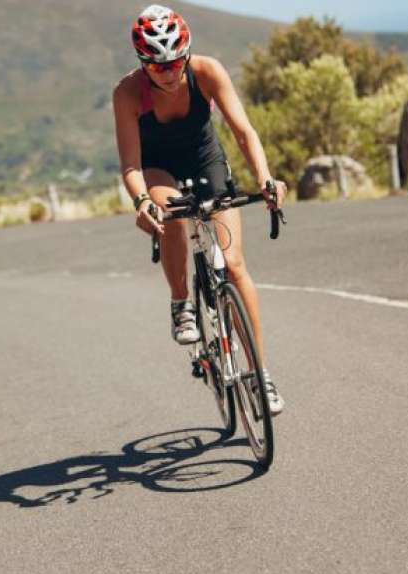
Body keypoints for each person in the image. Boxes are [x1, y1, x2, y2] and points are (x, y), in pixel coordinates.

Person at [112, 4, 287, 414]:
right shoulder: (126, 93)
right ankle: (180, 303)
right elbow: (131, 165)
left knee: (234, 262)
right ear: (143, 63)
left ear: (187, 54)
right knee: (172, 212)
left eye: (176, 62)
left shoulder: (207, 72)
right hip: (157, 168)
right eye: (158, 67)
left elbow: (244, 131)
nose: (169, 72)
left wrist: (265, 178)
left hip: (205, 159)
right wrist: (140, 201)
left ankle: (261, 375)